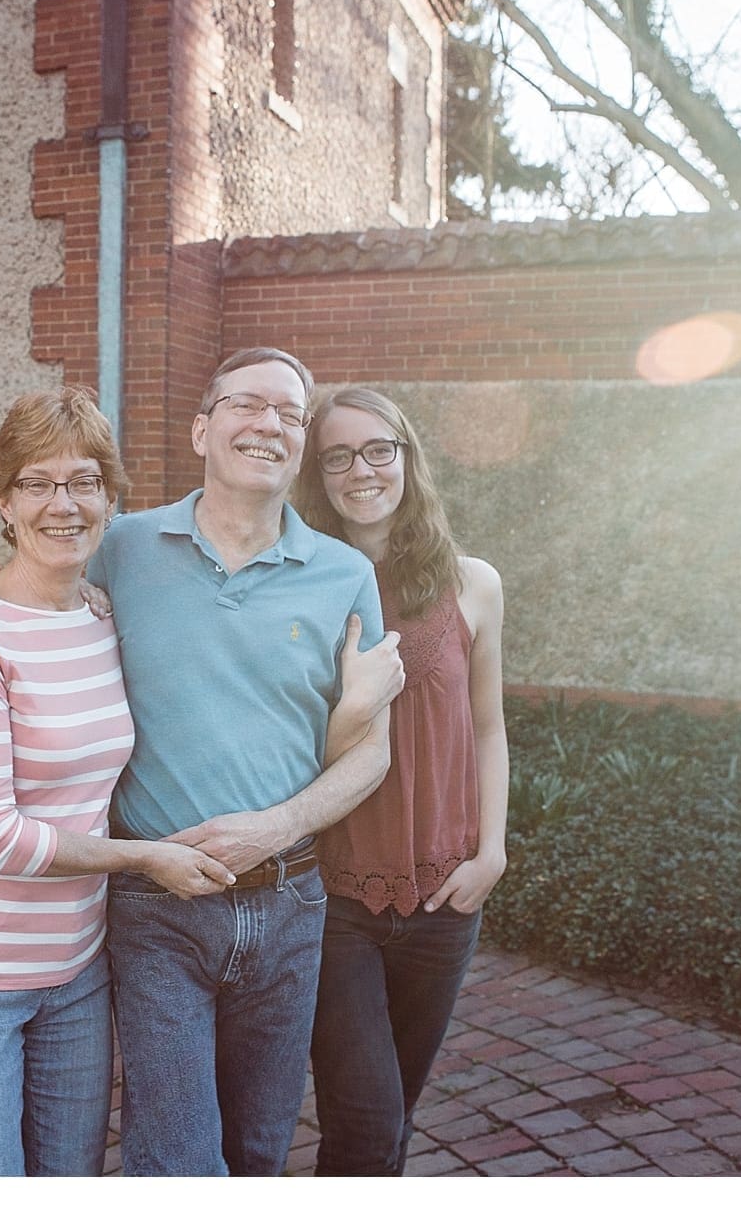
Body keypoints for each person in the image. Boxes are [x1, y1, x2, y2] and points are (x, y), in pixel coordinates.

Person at [0, 386, 235, 1176]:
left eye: (84, 481)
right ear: (3, 501)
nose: (63, 503)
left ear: (111, 497)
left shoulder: (102, 616)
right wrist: (146, 858)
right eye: (38, 483)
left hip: (75, 974)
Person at [84, 347, 403, 1176]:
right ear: (202, 427)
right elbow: (33, 647)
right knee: (176, 1156)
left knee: (259, 1151)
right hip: (156, 904)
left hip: (292, 902)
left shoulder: (344, 573)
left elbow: (373, 752)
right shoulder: (120, 547)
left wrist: (279, 824)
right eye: (245, 404)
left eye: (290, 414)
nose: (268, 423)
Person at [293, 385, 509, 1175]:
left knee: (394, 1117)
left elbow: (487, 726)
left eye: (378, 449)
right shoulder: (301, 585)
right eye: (338, 455)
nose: (362, 469)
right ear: (318, 473)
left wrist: (493, 853)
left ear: (407, 458)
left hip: (447, 897)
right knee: (365, 1116)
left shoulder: (472, 582)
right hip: (334, 898)